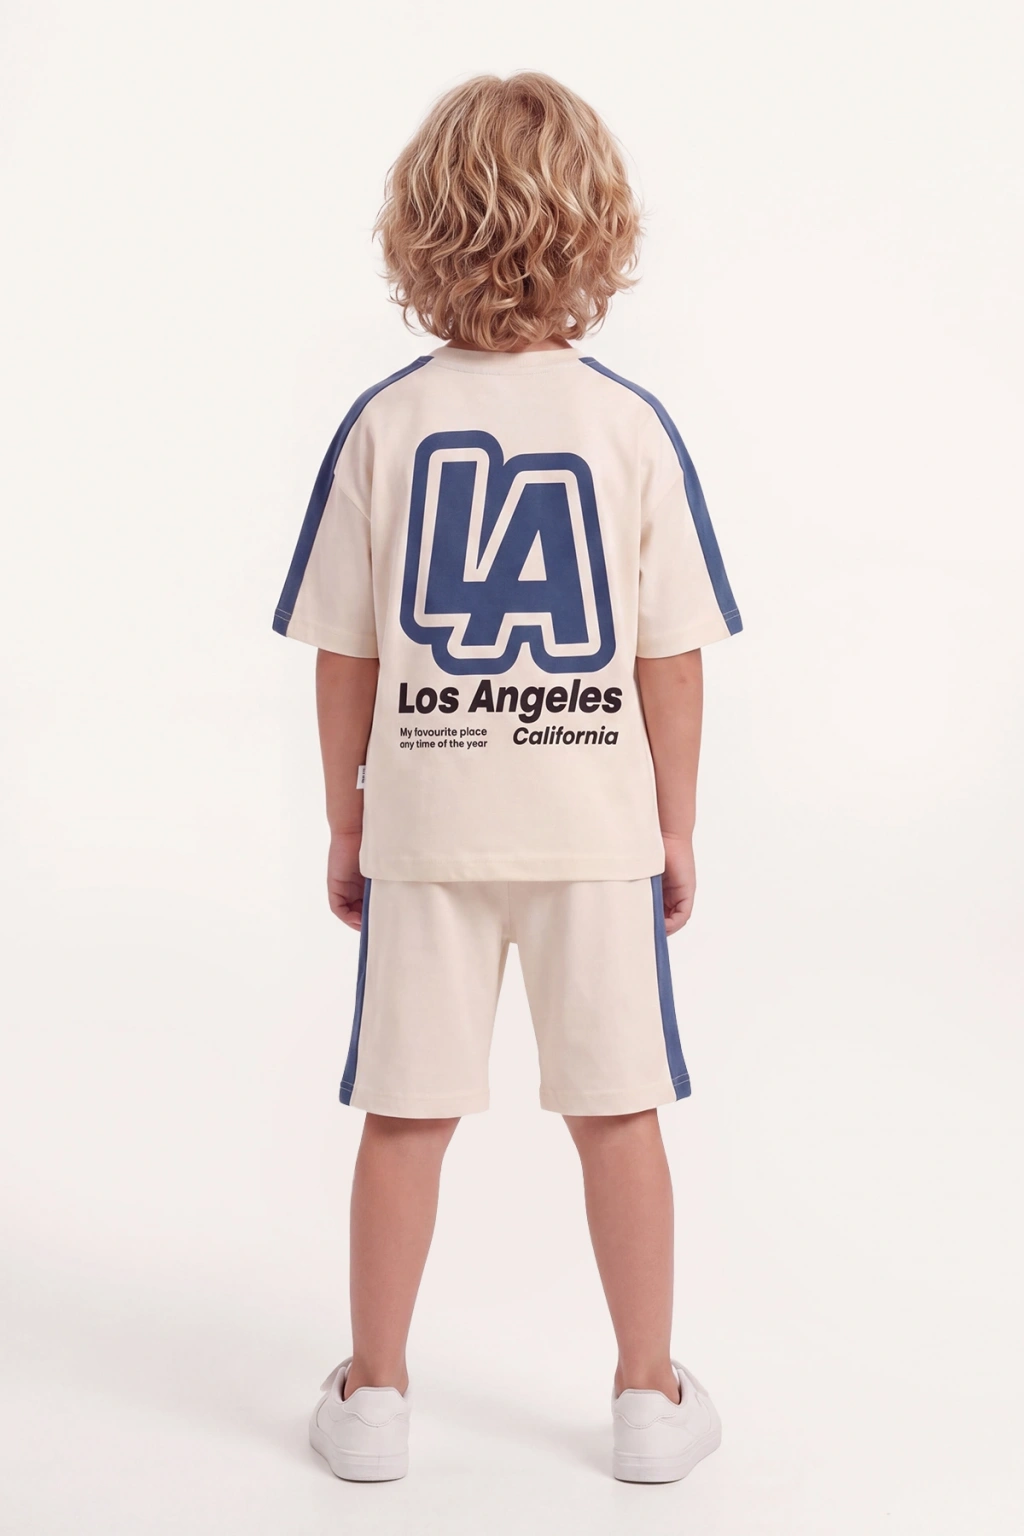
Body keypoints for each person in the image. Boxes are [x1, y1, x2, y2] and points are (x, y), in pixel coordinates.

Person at [273, 71, 742, 1485]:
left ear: (421, 232)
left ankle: (375, 1398)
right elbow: (671, 658)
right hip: (595, 827)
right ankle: (649, 1397)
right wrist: (675, 824)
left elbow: (345, 654)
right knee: (618, 1110)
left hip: (428, 826)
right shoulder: (630, 427)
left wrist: (347, 818)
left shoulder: (385, 426)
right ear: (599, 232)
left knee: (406, 1114)